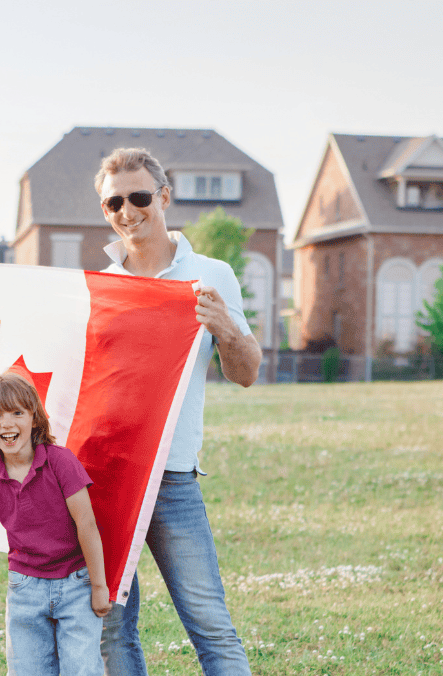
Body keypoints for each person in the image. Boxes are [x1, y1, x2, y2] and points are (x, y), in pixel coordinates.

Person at [92, 148, 262, 676]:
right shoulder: (100, 286)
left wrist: (226, 329)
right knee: (111, 628)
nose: (127, 211)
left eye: (139, 197)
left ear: (164, 197)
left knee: (209, 622)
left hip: (172, 477)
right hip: (106, 477)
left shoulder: (210, 274)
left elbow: (247, 371)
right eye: (113, 202)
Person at [0, 371, 110, 676]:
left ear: (34, 418)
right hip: (25, 590)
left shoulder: (60, 462)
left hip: (76, 584)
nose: (7, 423)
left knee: (82, 669)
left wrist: (98, 586)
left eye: (18, 412)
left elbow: (87, 525)